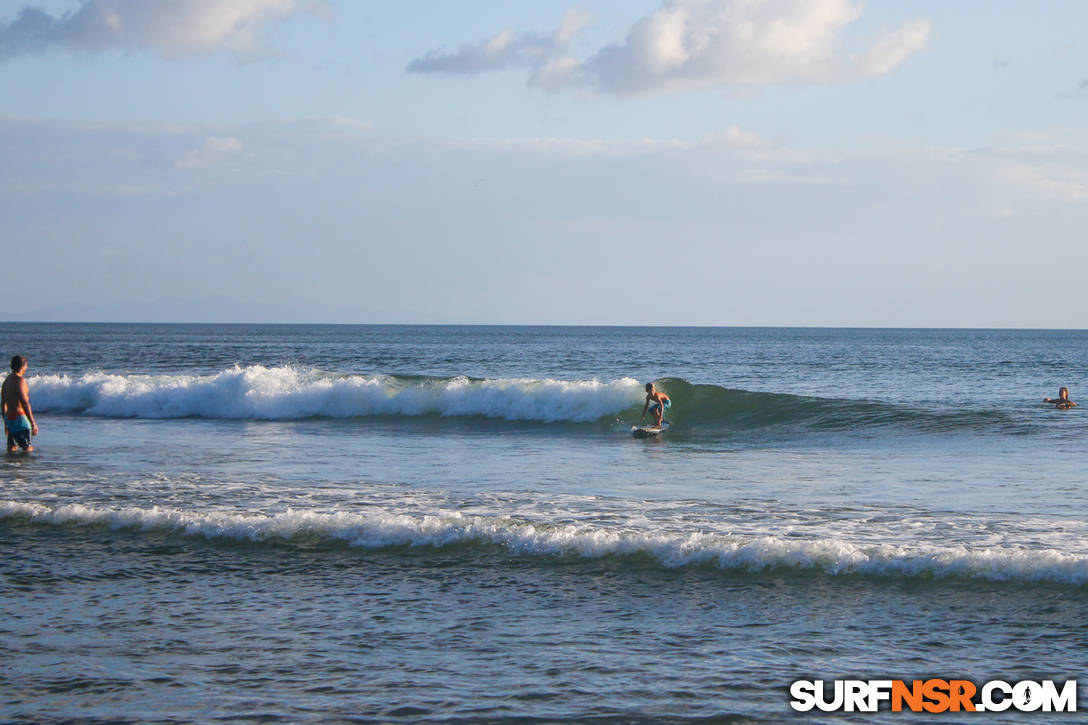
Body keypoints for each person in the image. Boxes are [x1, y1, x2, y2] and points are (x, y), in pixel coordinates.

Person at [3, 355, 38, 452]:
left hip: (10, 418)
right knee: (27, 449)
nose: (26, 368)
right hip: (20, 419)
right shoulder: (20, 380)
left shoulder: (7, 380)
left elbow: (3, 403)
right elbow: (24, 403)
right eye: (26, 365)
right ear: (22, 366)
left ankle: (10, 466)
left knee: (11, 448)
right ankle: (25, 467)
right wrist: (33, 422)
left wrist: (6, 422)